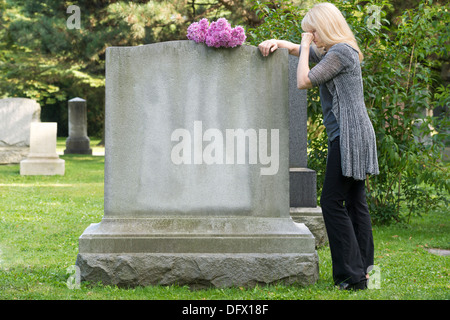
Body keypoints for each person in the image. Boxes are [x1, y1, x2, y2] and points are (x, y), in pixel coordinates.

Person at [258, 2, 379, 290]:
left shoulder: (339, 53)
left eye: (312, 31)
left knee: (331, 201)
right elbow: (303, 52)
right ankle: (366, 276)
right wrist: (281, 43)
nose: (309, 37)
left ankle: (351, 277)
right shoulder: (341, 50)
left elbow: (303, 80)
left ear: (322, 28)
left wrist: (303, 40)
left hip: (348, 136)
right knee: (355, 204)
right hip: (356, 133)